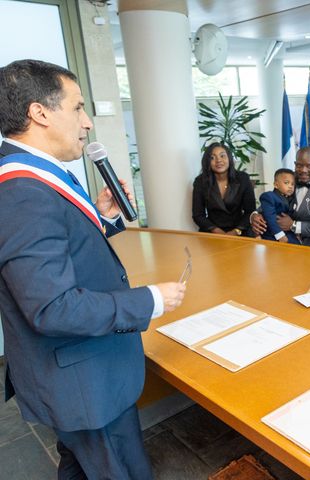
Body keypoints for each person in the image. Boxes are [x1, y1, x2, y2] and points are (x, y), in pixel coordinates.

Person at [0, 59, 186, 479]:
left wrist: (104, 218)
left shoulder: (35, 176)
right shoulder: (22, 190)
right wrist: (150, 300)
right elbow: (53, 307)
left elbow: (59, 249)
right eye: (78, 108)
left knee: (80, 466)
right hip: (81, 380)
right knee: (121, 469)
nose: (87, 123)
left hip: (74, 373)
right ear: (40, 113)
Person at [251, 147, 310, 249]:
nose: (304, 170)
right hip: (292, 237)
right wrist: (255, 215)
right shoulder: (290, 179)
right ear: (295, 164)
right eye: (299, 165)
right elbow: (273, 200)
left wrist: (294, 225)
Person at [192, 142, 256, 235]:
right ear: (208, 162)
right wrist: (216, 231)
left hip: (240, 230)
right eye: (212, 157)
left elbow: (250, 211)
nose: (218, 160)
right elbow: (198, 215)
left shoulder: (243, 178)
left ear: (229, 158)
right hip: (212, 231)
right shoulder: (200, 181)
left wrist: (236, 231)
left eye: (222, 156)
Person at [258, 168, 300, 244]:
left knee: (299, 247)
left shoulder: (292, 199)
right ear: (276, 185)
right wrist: (280, 235)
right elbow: (270, 217)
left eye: (292, 184)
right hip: (272, 233)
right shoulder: (269, 196)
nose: (290, 186)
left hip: (288, 232)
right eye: (286, 183)